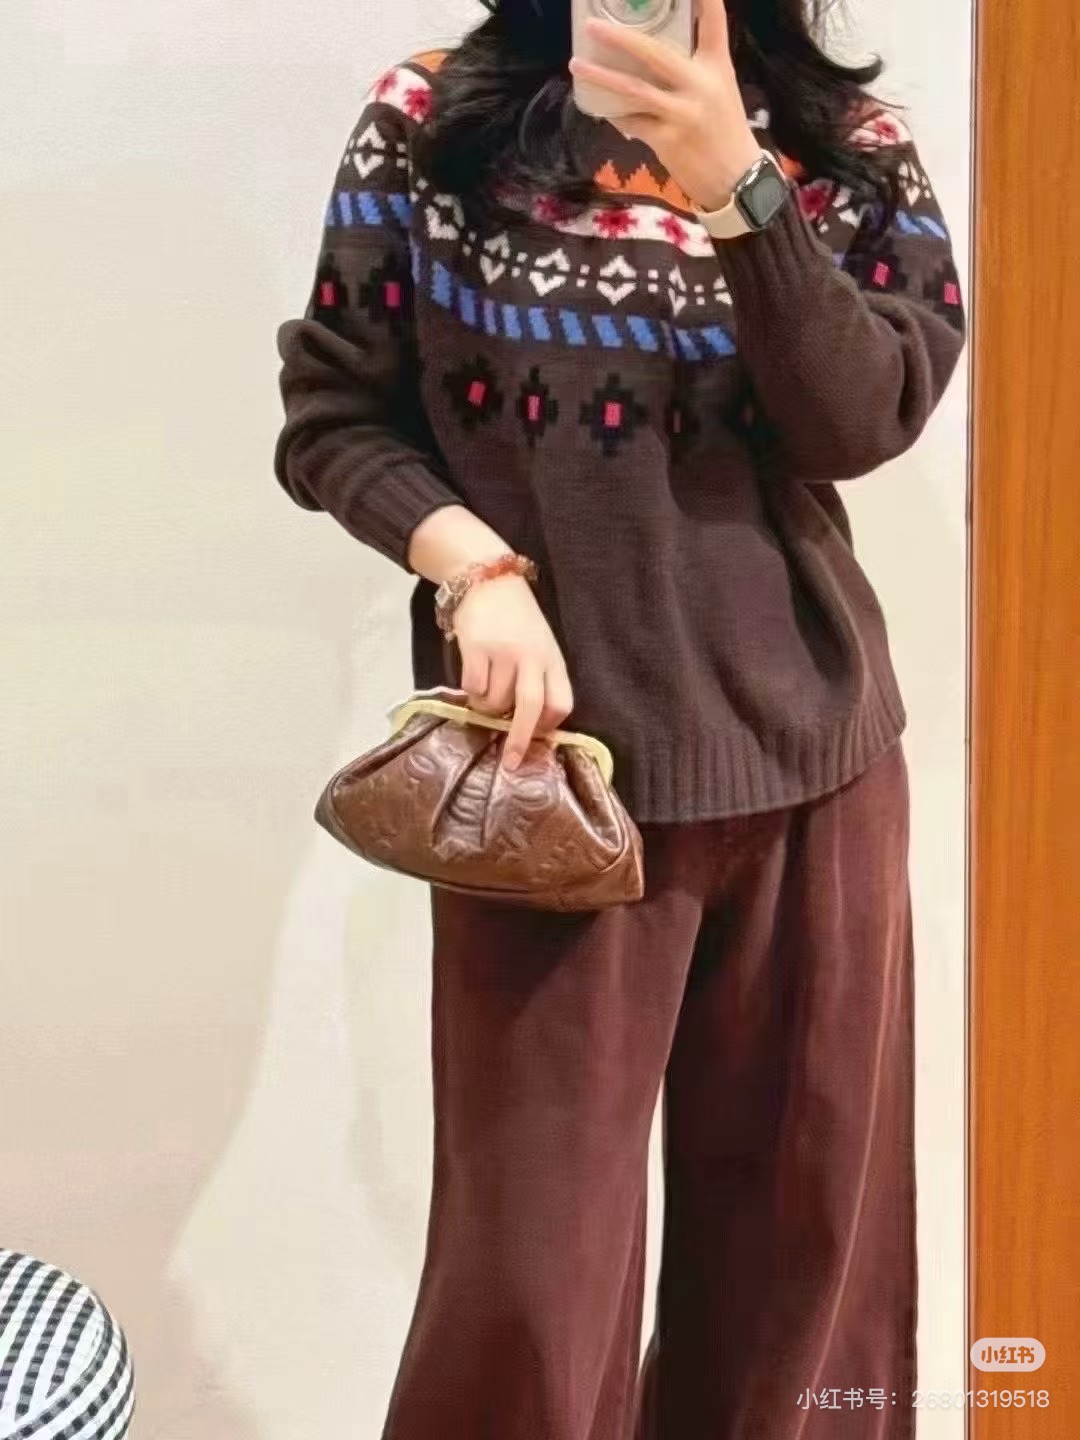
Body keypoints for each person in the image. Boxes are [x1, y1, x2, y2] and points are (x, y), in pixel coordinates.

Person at [272, 0, 965, 1433]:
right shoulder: (432, 123)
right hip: (549, 793)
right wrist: (474, 571)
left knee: (802, 1305)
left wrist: (738, 189)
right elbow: (335, 413)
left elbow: (861, 421)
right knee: (529, 1302)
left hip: (815, 777)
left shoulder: (846, 144)